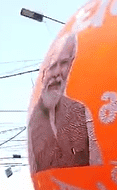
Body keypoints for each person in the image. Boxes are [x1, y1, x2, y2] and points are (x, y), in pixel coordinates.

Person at [28, 32, 103, 173]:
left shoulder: (80, 111)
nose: (57, 73)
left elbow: (98, 166)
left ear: (70, 66)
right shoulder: (34, 120)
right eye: (52, 66)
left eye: (63, 63)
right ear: (43, 72)